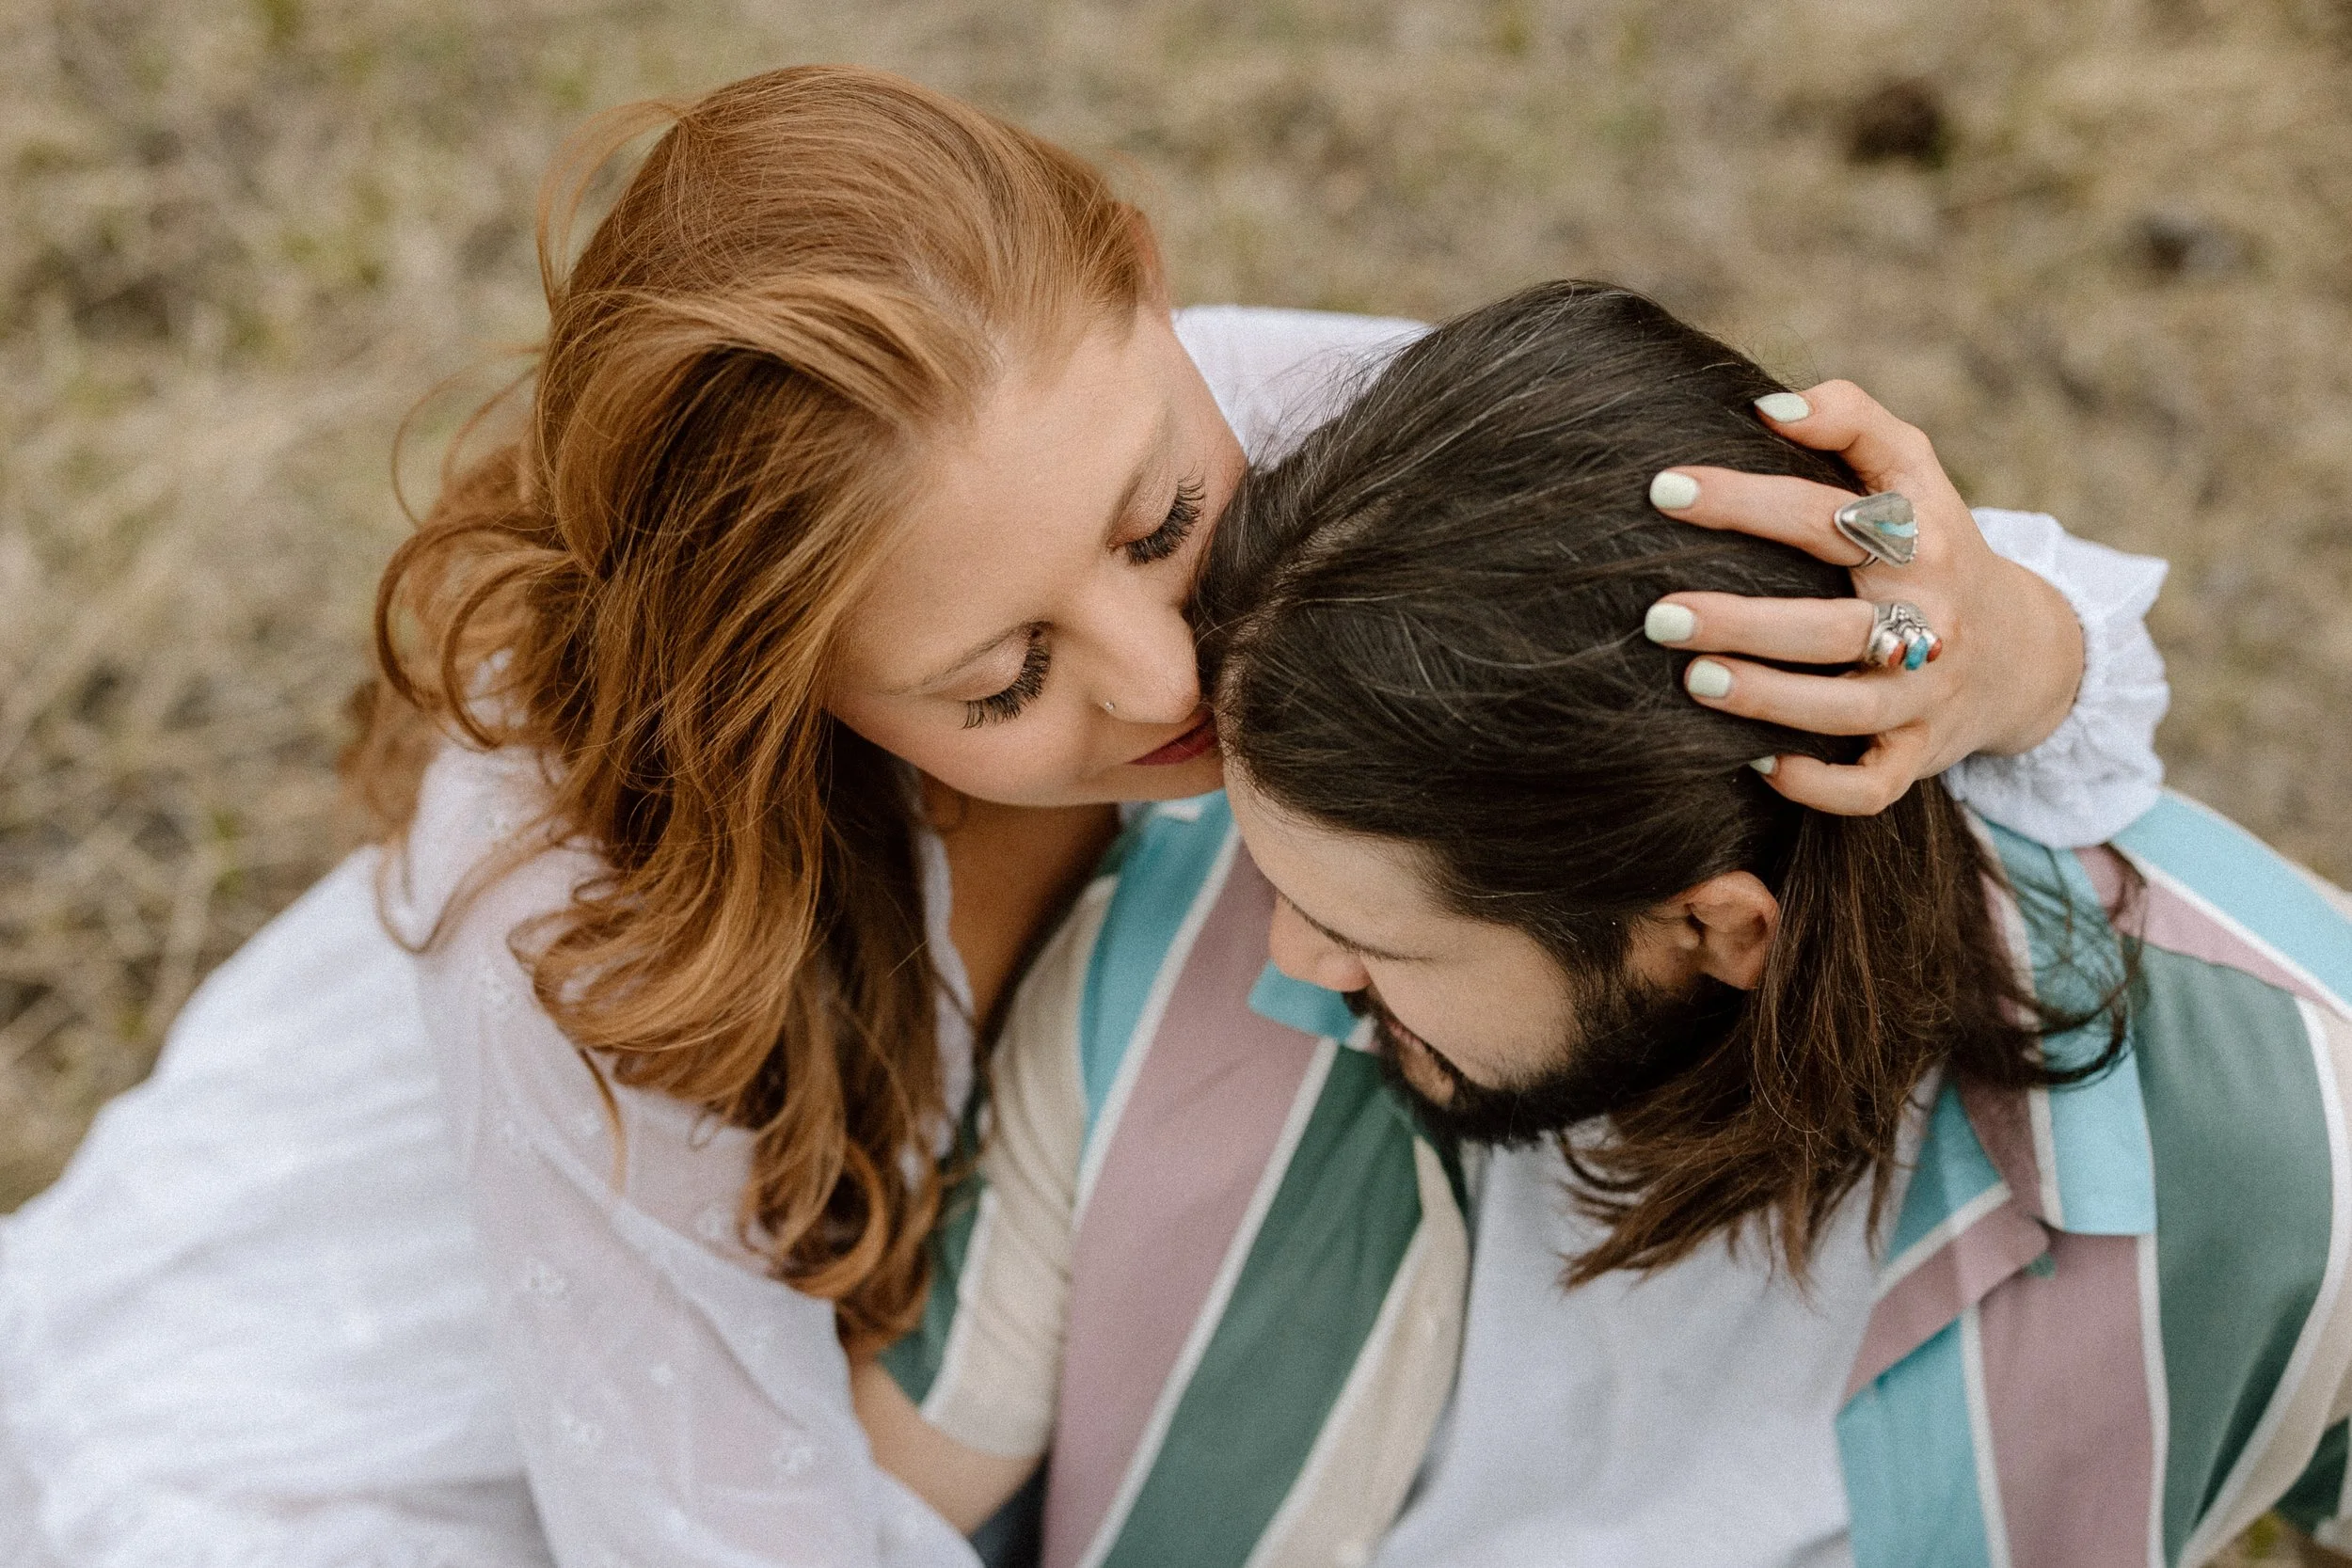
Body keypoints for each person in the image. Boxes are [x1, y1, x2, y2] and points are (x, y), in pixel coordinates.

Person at [0, 69, 2169, 1568]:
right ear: (795, 700)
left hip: (990, 1354)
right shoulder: (569, 910)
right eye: (1000, 680)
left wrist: (1993, 649)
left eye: (1158, 524)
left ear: (1145, 286)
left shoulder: (1264, 414)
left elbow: (1918, 588)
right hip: (475, 1406)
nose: (1165, 681)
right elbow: (713, 1522)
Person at [859, 281, 2352, 1568]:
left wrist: (2030, 636)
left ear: (1718, 932)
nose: (1291, 960)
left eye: (1374, 941)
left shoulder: (2282, 1141)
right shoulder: (1177, 965)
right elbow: (868, 1513)